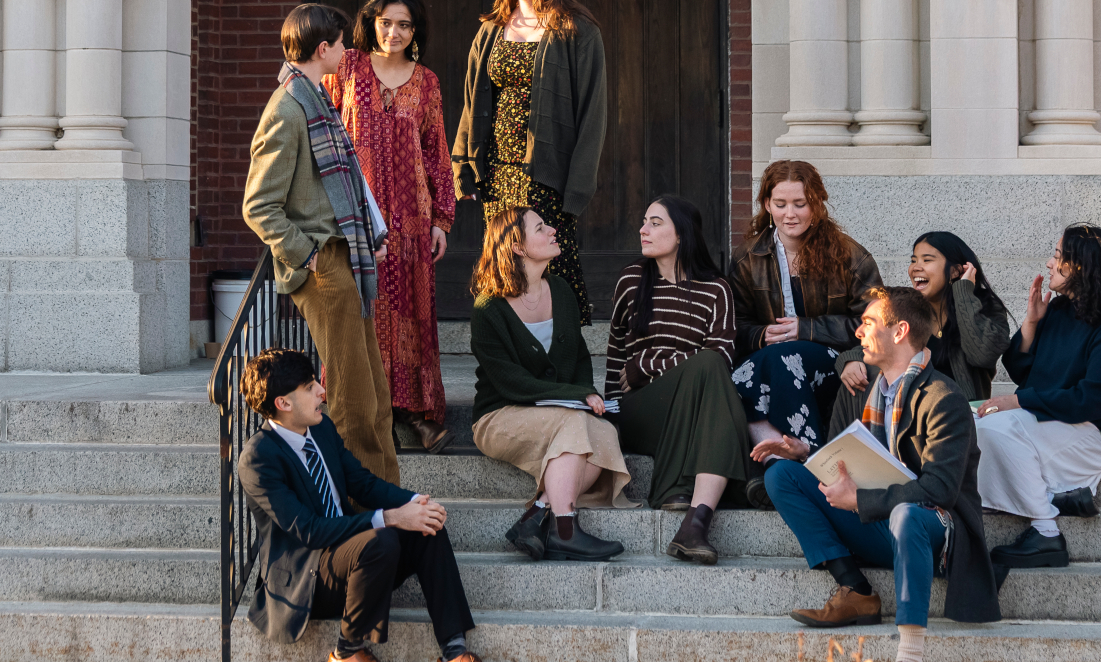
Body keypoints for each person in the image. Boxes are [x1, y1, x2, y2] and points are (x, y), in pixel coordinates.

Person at [761, 287, 1001, 662]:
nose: (858, 332)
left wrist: (858, 500)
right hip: (877, 520)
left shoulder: (942, 397)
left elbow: (940, 490)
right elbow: (854, 459)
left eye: (869, 323)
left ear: (900, 332)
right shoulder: (863, 390)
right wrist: (807, 455)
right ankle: (854, 589)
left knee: (907, 515)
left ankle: (910, 649)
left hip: (935, 530)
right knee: (782, 475)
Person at [236, 349, 479, 662]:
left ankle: (454, 650)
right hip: (307, 579)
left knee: (425, 525)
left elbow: (362, 484)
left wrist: (413, 503)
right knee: (381, 537)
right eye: (310, 387)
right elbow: (309, 531)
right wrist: (390, 517)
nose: (322, 391)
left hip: (354, 562)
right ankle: (347, 652)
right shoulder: (258, 459)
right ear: (283, 403)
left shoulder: (321, 429)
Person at [243, 4, 399, 484]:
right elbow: (258, 205)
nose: (348, 51)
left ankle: (391, 495)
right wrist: (308, 257)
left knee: (373, 392)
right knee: (352, 401)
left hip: (344, 259)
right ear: (323, 48)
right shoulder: (288, 109)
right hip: (324, 264)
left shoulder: (316, 101)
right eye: (342, 42)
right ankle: (367, 508)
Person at [976, 223, 1101, 570]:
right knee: (971, 423)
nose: (1049, 263)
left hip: (1090, 432)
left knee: (993, 429)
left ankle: (1046, 532)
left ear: (1081, 266)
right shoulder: (1060, 310)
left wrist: (1017, 402)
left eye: (1058, 256)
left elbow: (1091, 400)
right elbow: (1021, 371)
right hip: (1049, 422)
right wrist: (1031, 322)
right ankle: (1058, 498)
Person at [324, 0, 459, 454]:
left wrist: (442, 218)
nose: (394, 32)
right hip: (356, 216)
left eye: (404, 24)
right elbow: (319, 130)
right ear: (372, 21)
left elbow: (437, 153)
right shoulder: (347, 68)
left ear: (415, 29)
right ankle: (367, 418)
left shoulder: (427, 82)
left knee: (411, 317)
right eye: (387, 22)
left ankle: (415, 414)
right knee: (364, 311)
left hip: (412, 220)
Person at [452, 0, 608, 322]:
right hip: (499, 172)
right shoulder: (490, 30)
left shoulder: (577, 30)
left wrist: (577, 185)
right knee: (504, 264)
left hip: (547, 174)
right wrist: (464, 168)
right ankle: (506, 362)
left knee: (552, 266)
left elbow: (593, 114)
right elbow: (471, 102)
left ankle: (562, 362)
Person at [470, 206, 636, 564]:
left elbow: (577, 359)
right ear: (517, 247)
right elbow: (511, 383)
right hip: (500, 415)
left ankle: (537, 514)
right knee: (578, 424)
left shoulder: (560, 290)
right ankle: (565, 529)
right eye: (540, 228)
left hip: (557, 411)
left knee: (605, 432)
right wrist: (578, 397)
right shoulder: (488, 309)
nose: (552, 231)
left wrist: (584, 396)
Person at [605, 195, 752, 564]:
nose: (643, 229)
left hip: (690, 404)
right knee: (705, 370)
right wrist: (607, 417)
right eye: (644, 221)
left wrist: (649, 364)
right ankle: (688, 487)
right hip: (641, 409)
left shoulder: (716, 290)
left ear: (682, 234)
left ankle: (694, 525)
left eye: (655, 223)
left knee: (708, 368)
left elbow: (719, 357)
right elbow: (615, 356)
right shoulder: (631, 280)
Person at [731, 160, 883, 494]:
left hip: (838, 360)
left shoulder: (848, 254)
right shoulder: (747, 258)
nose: (790, 213)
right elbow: (733, 326)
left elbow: (874, 321)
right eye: (781, 204)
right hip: (764, 361)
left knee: (786, 358)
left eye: (800, 204)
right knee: (742, 374)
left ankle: (810, 459)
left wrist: (808, 329)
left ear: (816, 203)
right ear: (767, 204)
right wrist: (758, 334)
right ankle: (778, 462)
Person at [835, 232, 1012, 406]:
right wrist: (851, 360)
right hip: (910, 411)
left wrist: (964, 294)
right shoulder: (908, 308)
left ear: (955, 271)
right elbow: (878, 343)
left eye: (927, 260)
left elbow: (982, 356)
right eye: (913, 260)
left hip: (962, 412)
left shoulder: (986, 307)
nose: (916, 267)